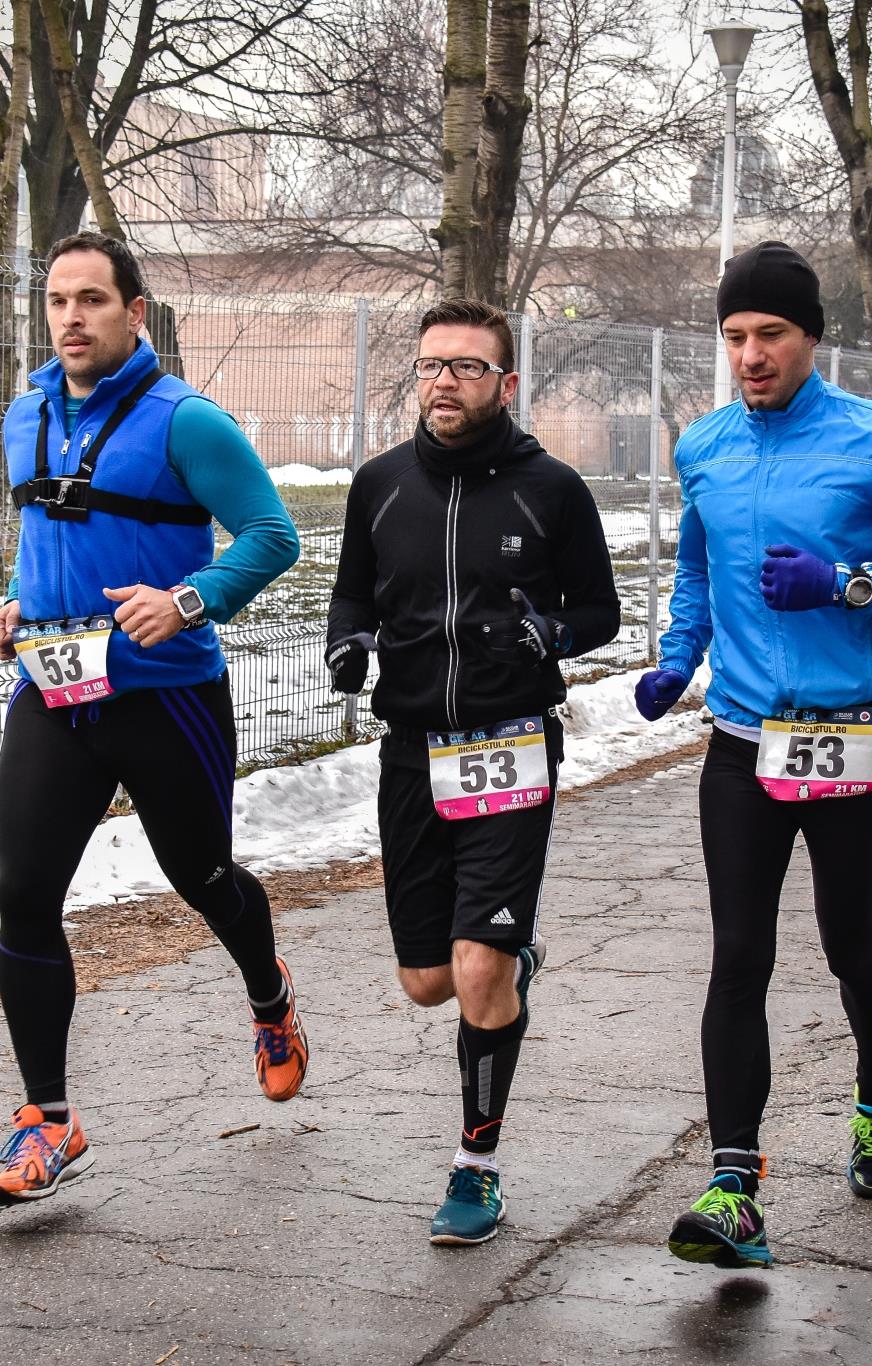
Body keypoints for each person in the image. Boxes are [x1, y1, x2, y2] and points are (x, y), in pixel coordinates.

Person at [632, 241, 872, 1270]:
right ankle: (733, 1186)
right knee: (739, 954)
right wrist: (675, 656)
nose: (750, 354)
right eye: (734, 336)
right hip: (742, 738)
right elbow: (698, 565)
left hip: (854, 735)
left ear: (810, 338)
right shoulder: (703, 445)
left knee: (850, 947)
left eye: (770, 334)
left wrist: (849, 582)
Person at [0, 232, 306, 1206]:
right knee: (25, 896)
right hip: (54, 689)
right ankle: (48, 1119)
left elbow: (272, 537)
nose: (72, 316)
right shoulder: (26, 413)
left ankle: (270, 995)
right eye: (57, 300)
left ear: (134, 312)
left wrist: (189, 600)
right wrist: (13, 602)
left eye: (92, 299)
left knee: (200, 875)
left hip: (167, 699)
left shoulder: (185, 422)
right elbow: (44, 539)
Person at [325, 299, 620, 1246]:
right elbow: (351, 592)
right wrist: (348, 642)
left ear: (504, 382)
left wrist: (553, 630)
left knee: (479, 969)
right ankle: (507, 958)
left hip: (508, 745)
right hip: (410, 751)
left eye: (464, 365)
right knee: (427, 981)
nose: (442, 380)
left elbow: (601, 611)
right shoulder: (377, 485)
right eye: (428, 365)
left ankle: (475, 1165)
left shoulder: (552, 489)